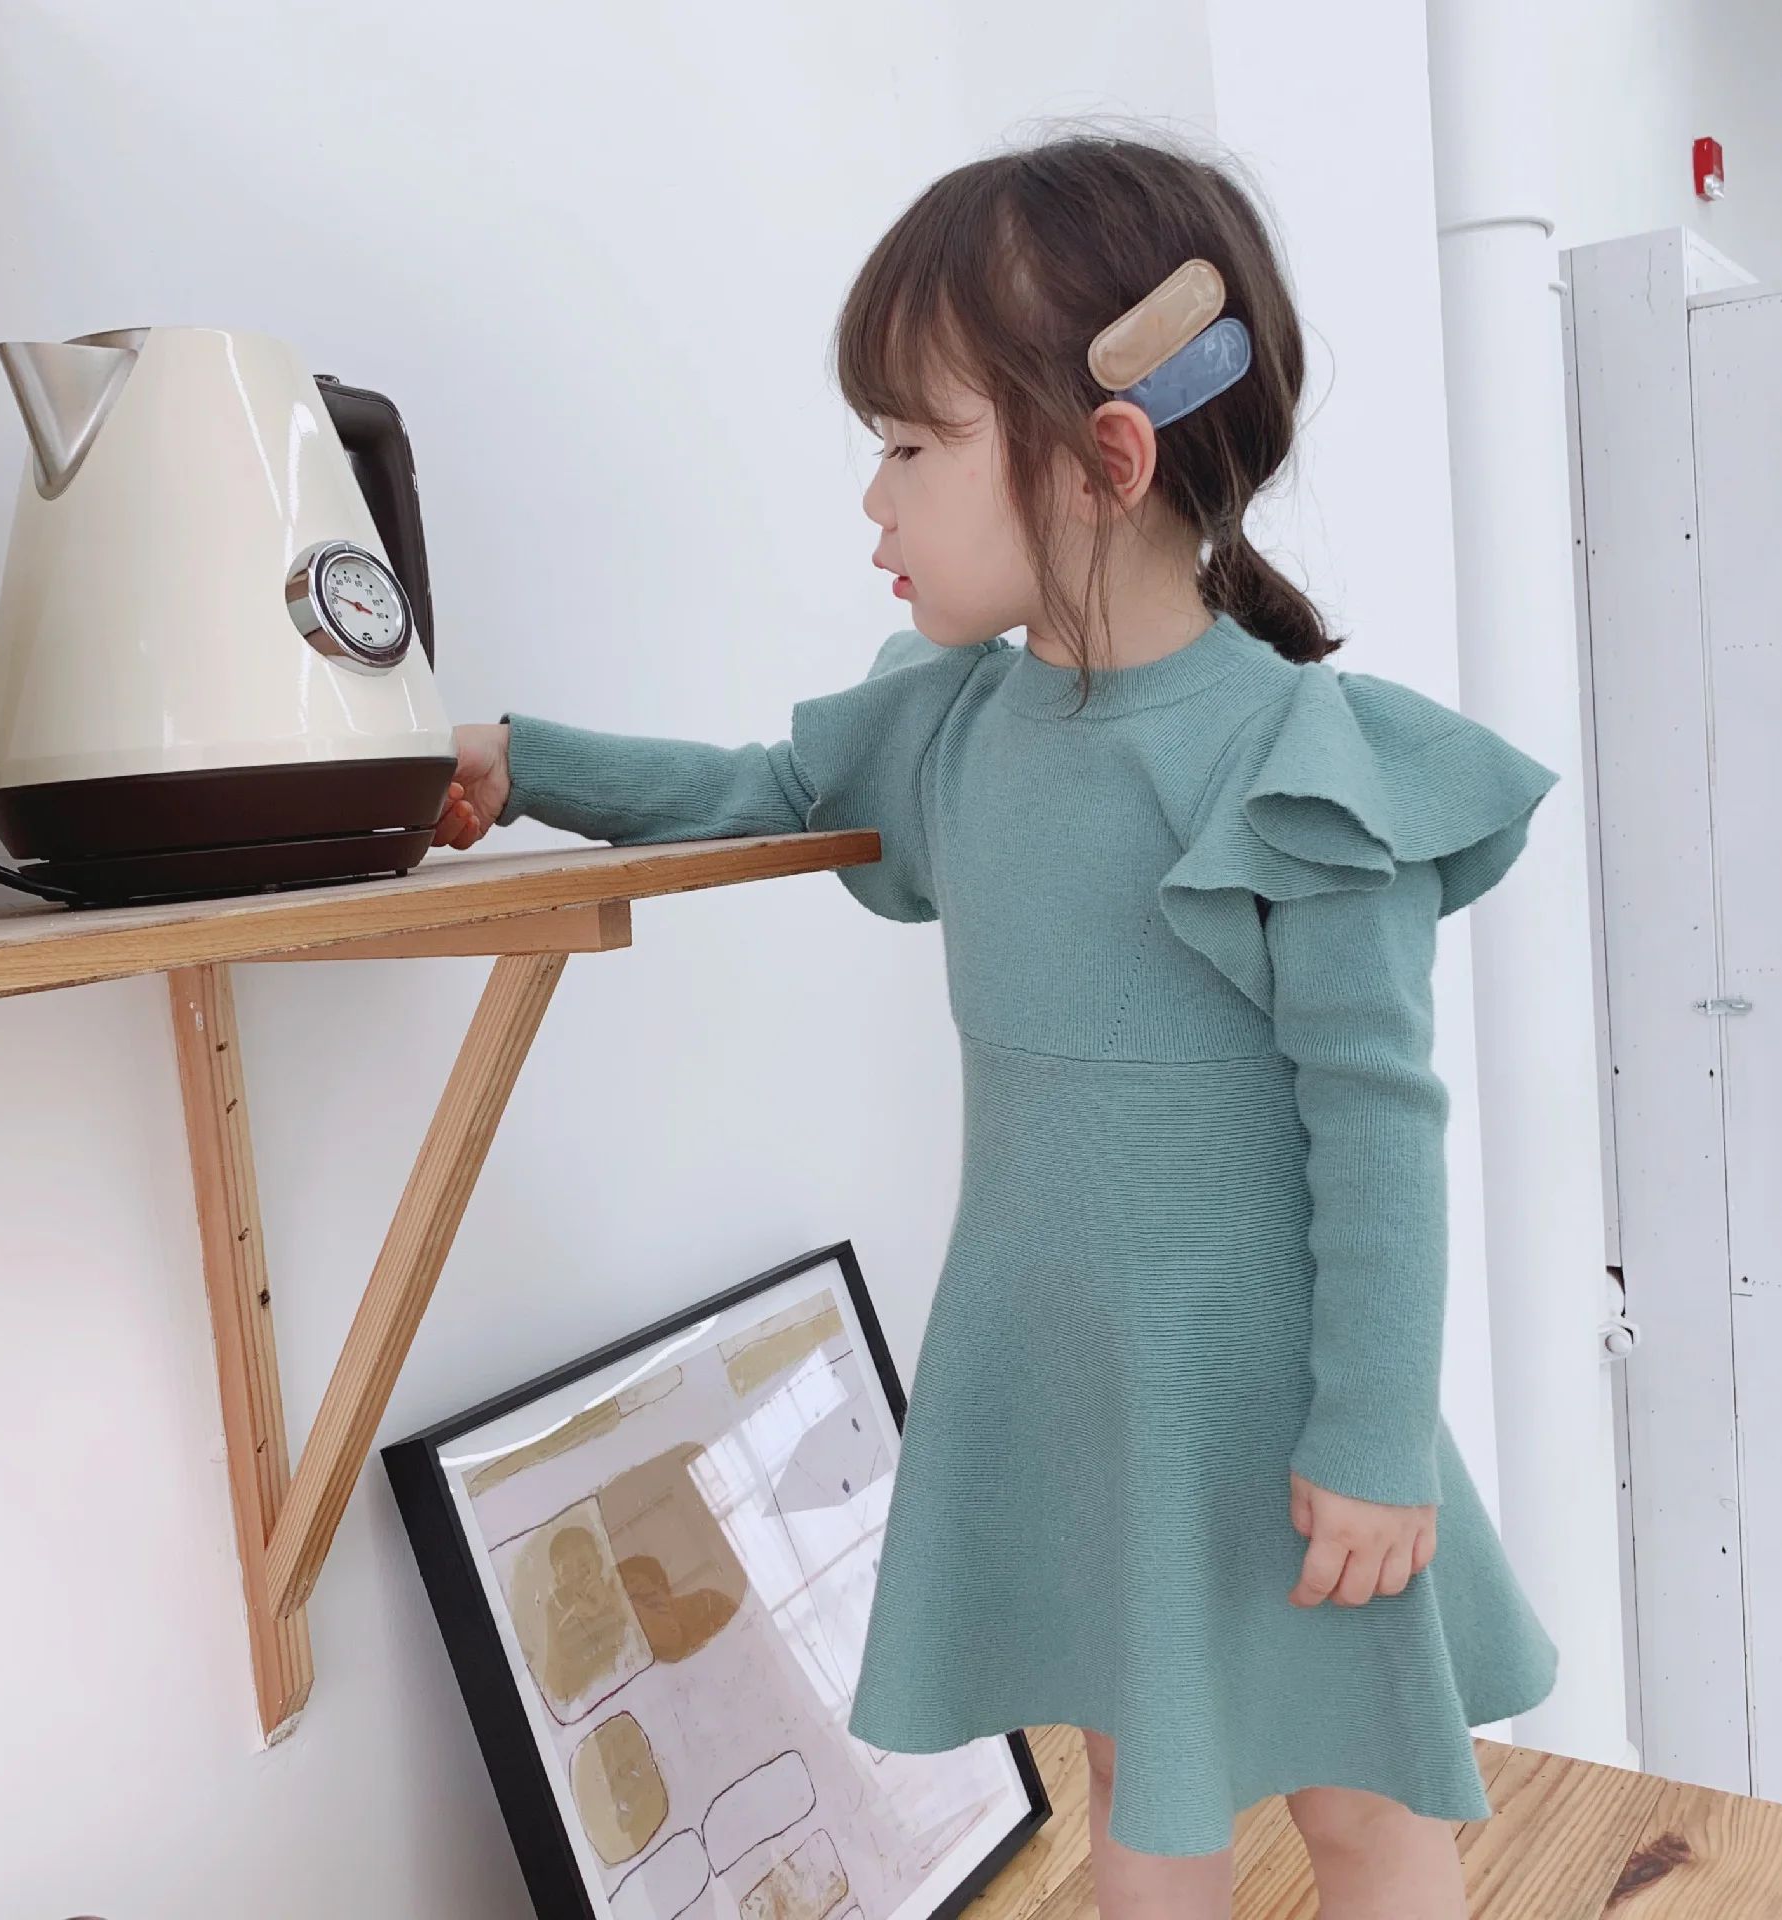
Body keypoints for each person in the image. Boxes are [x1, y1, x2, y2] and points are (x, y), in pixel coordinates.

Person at [438, 132, 1560, 1920]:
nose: (872, 502)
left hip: (1276, 1389)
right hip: (1076, 1378)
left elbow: (1378, 1121)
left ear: (1108, 458)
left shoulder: (1294, 768)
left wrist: (1368, 1436)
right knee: (1133, 1772)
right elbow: (759, 793)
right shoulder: (953, 726)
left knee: (1359, 1800)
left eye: (909, 446)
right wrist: (526, 762)